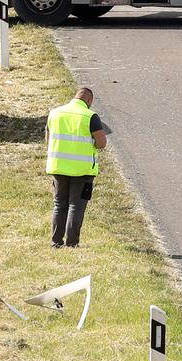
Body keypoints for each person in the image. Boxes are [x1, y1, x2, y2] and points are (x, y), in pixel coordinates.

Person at [45, 87, 106, 248]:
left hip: (58, 167)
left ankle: (55, 242)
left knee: (59, 204)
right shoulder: (90, 116)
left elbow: (48, 139)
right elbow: (101, 143)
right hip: (82, 170)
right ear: (89, 101)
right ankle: (72, 244)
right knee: (76, 206)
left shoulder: (55, 113)